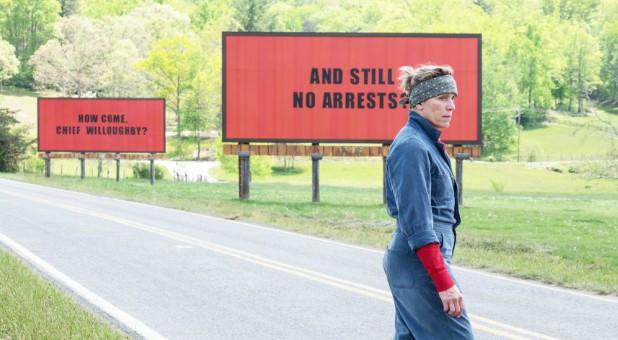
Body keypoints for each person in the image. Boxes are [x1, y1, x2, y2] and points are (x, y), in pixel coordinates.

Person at [383, 64, 474, 339]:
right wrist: (444, 282)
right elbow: (418, 224)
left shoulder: (424, 142)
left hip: (416, 263)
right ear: (419, 102)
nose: (451, 106)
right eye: (442, 98)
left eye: (453, 99)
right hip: (419, 265)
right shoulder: (412, 147)